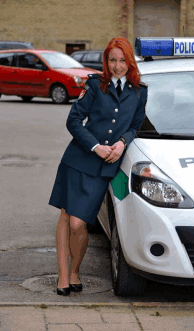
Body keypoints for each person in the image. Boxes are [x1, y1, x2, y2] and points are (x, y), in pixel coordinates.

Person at [48, 36, 148, 296]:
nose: (117, 66)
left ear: (130, 61)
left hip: (103, 168)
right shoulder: (95, 86)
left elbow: (135, 125)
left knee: (78, 223)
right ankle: (62, 274)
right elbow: (74, 120)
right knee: (66, 216)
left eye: (122, 60)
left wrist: (123, 143)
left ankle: (75, 270)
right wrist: (96, 146)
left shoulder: (140, 91)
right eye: (112, 60)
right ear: (106, 61)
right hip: (78, 159)